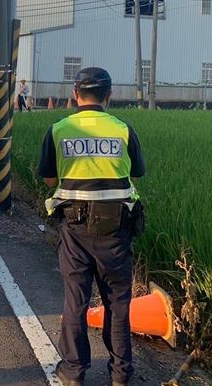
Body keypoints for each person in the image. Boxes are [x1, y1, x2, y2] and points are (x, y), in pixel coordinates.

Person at [38, 67, 146, 386]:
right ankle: (120, 374)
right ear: (109, 96)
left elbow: (48, 178)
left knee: (76, 300)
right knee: (118, 303)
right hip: (115, 229)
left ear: (75, 94)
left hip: (74, 228)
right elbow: (135, 174)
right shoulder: (123, 129)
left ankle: (73, 371)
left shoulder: (59, 129)